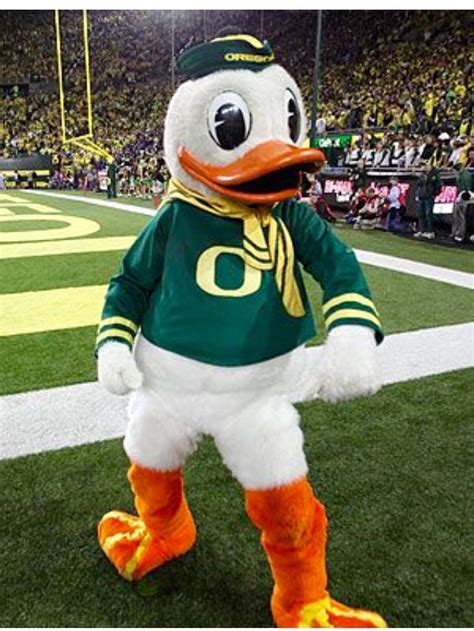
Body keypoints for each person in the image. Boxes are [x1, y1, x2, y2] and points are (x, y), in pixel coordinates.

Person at [414, 164, 442, 239]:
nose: (425, 167)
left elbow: (439, 185)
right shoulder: (422, 175)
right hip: (422, 196)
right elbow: (418, 185)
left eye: (427, 165)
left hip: (429, 197)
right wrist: (417, 194)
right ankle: (421, 230)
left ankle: (430, 231)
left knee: (428, 214)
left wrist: (433, 194)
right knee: (421, 213)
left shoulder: (435, 175)